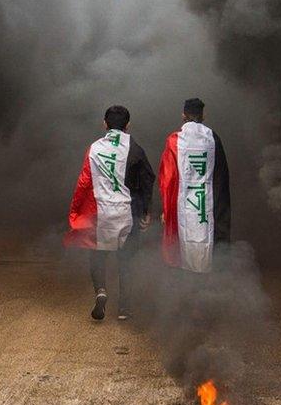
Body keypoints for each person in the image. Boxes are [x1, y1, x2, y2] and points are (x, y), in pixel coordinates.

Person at [64, 105, 155, 320]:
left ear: (104, 124)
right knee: (126, 260)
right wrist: (146, 210)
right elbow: (147, 179)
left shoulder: (94, 148)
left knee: (97, 255)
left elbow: (84, 182)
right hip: (128, 213)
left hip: (100, 213)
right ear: (128, 125)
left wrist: (77, 211)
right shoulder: (135, 148)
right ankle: (124, 308)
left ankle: (101, 291)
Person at [158, 98, 231, 273]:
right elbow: (222, 178)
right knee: (207, 251)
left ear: (183, 114)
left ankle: (187, 292)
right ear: (203, 115)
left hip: (183, 207)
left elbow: (167, 179)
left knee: (183, 252)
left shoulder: (174, 140)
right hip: (208, 207)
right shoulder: (213, 138)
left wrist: (166, 210)